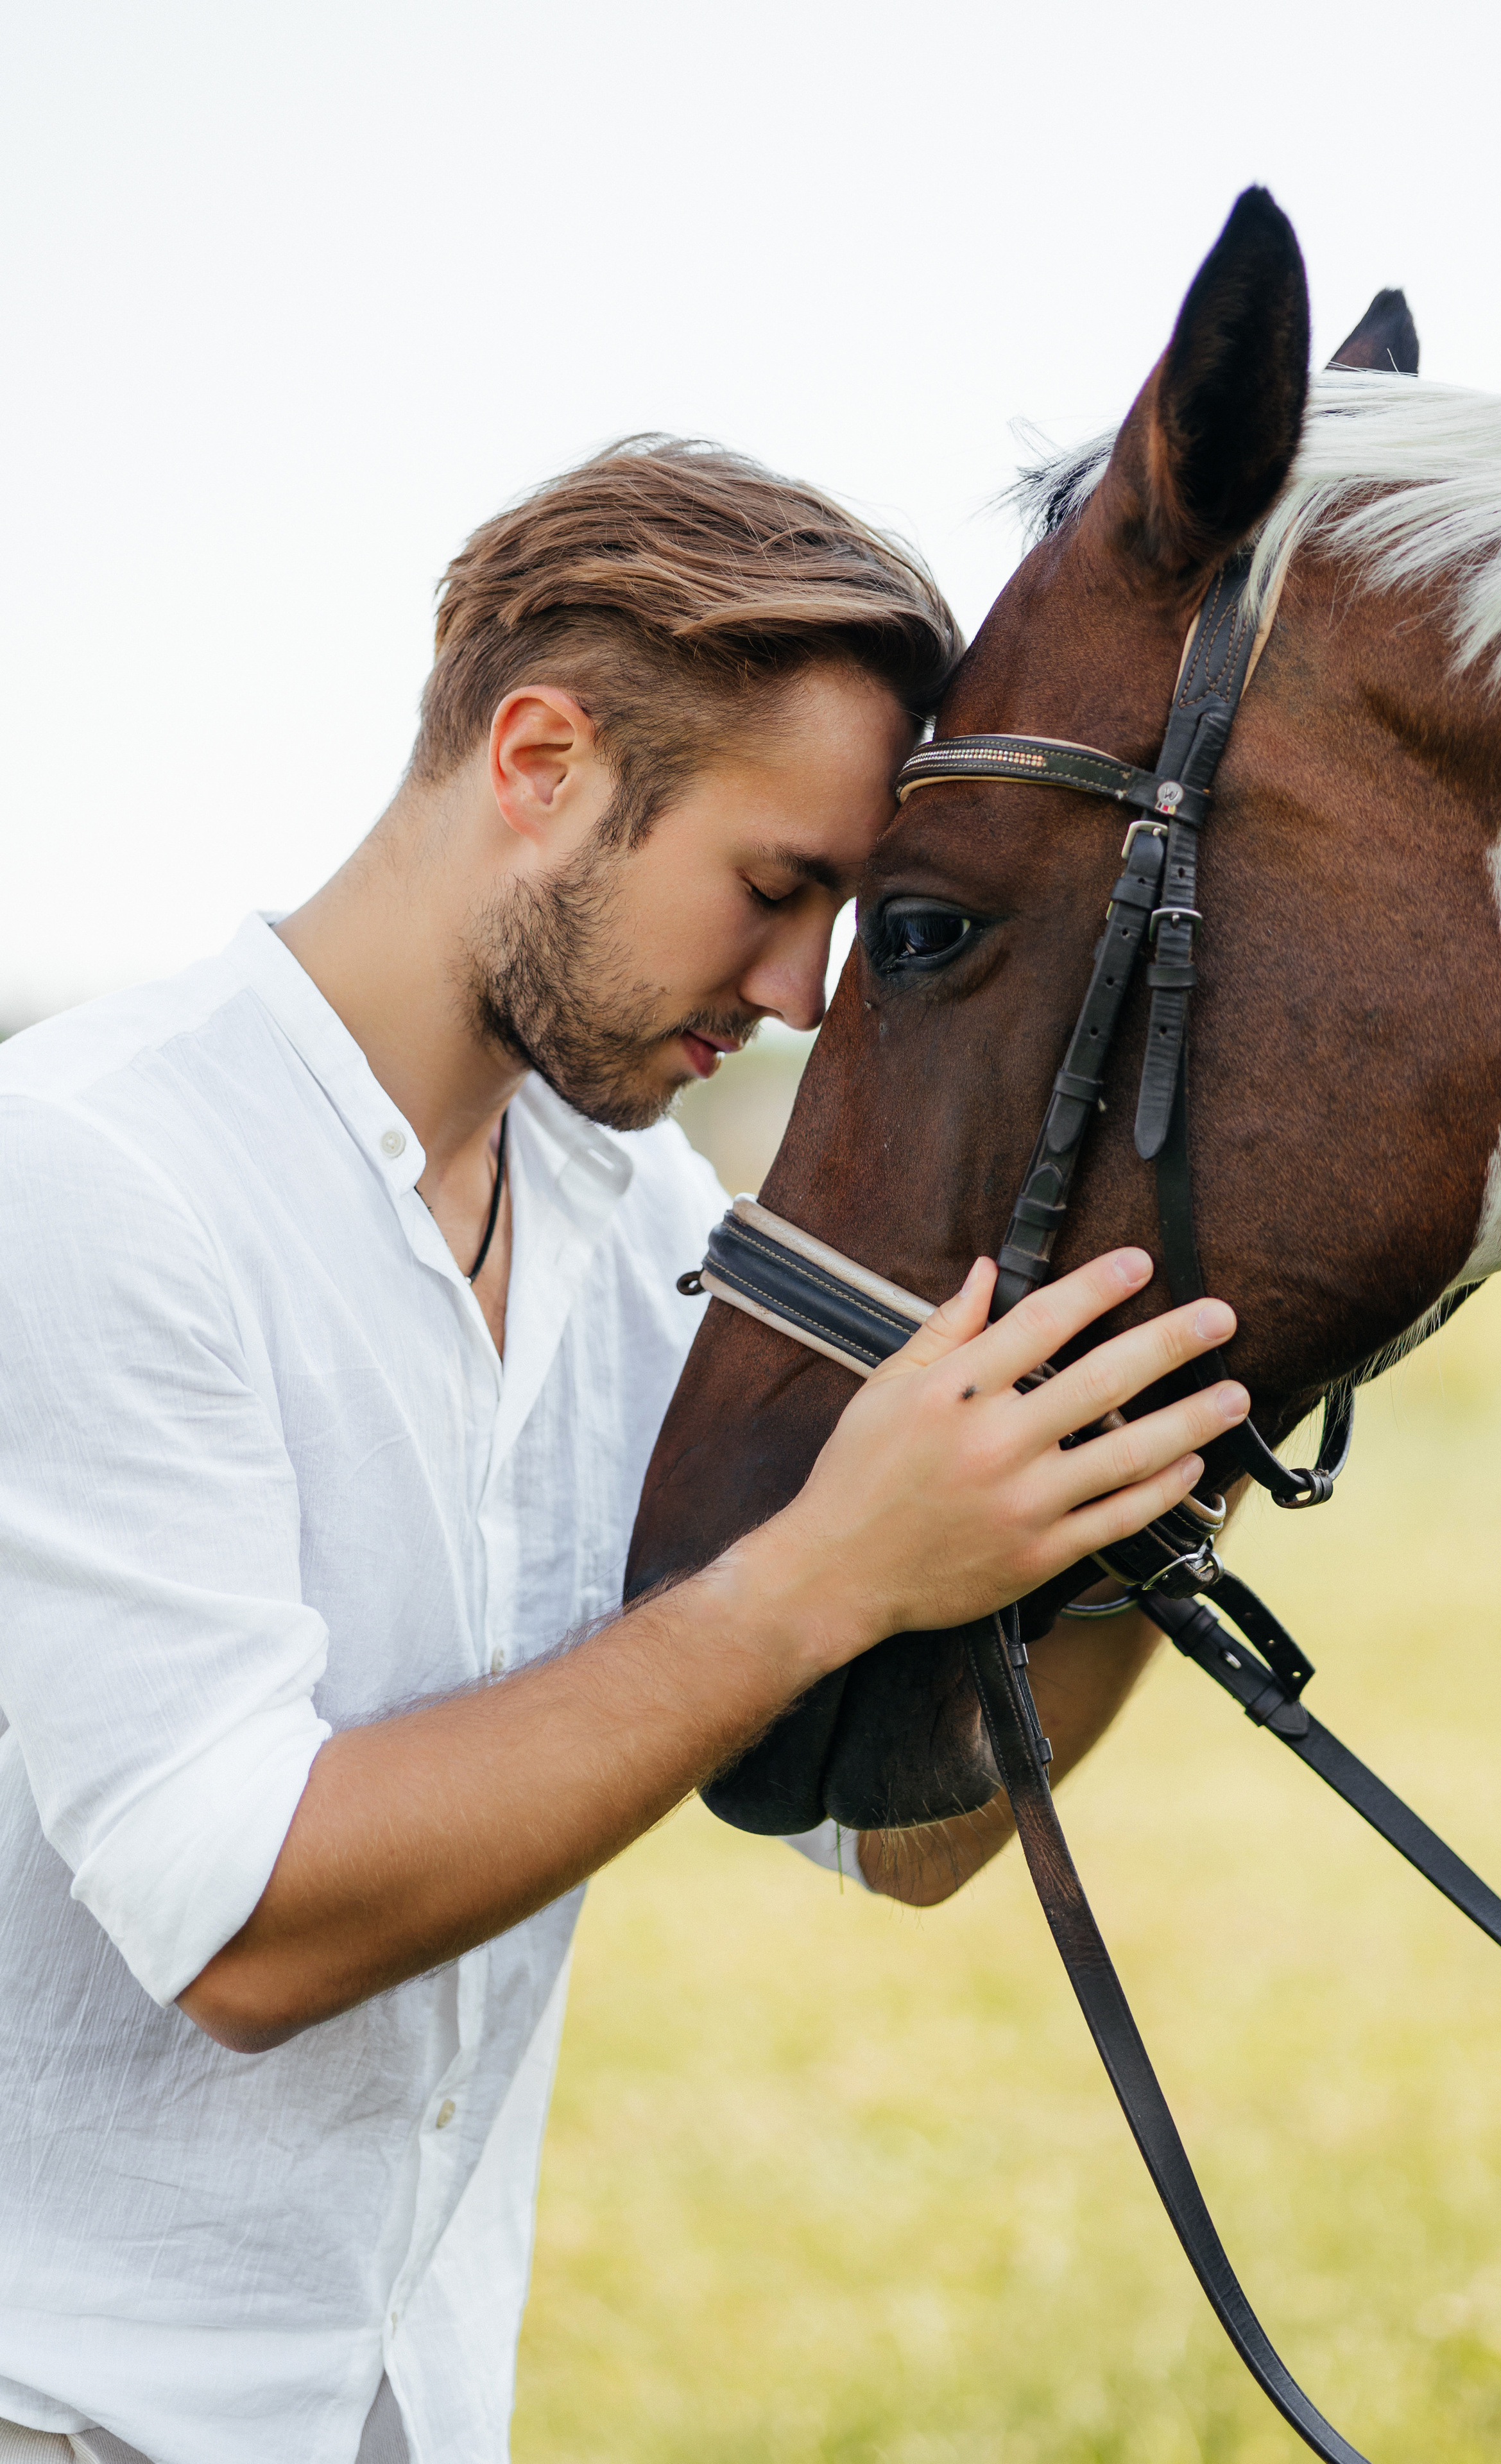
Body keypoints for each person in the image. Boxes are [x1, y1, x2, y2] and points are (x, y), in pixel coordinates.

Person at [0, 440, 1248, 2464]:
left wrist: (1125, 1494)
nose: (795, 997)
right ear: (541, 760)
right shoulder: (92, 1178)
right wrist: (827, 1571)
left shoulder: (650, 1229)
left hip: (409, 2409)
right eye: (779, 891)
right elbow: (242, 1926)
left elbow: (901, 1833)